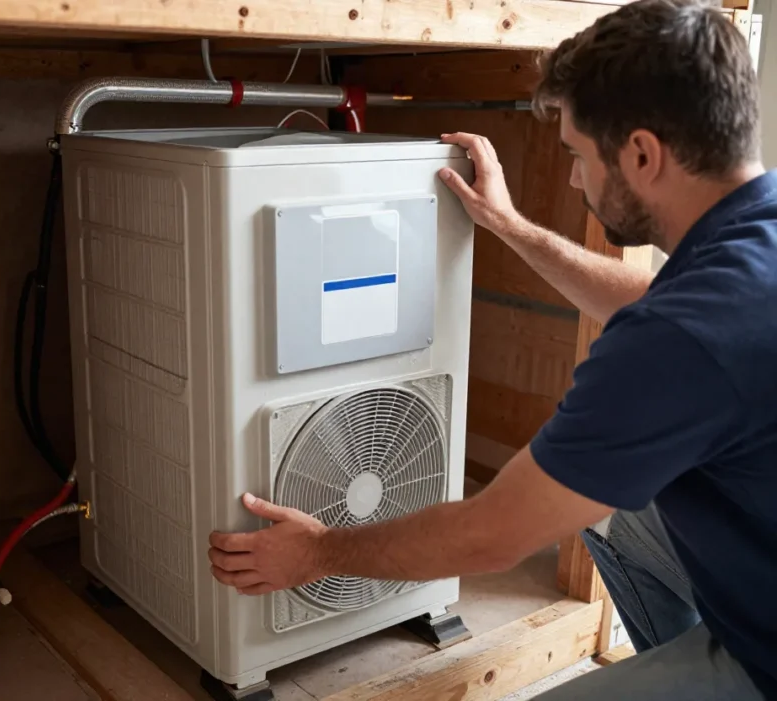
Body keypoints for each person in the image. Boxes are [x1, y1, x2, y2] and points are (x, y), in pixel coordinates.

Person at [207, 0, 777, 698]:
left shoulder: (683, 336)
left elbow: (493, 535)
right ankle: (695, 656)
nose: (573, 178)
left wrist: (317, 553)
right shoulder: (752, 245)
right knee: (608, 499)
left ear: (641, 154)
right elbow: (655, 304)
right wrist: (508, 226)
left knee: (572, 492)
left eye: (576, 155)